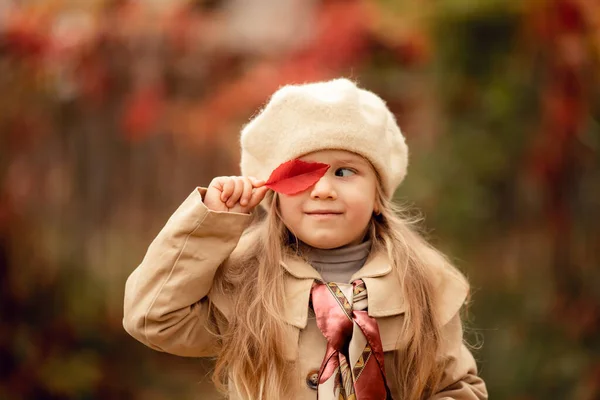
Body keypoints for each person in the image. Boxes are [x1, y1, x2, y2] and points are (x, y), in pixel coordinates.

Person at [123, 78, 488, 399]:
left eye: (345, 172)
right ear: (274, 196)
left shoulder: (424, 283)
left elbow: (458, 388)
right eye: (303, 176)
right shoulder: (244, 279)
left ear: (378, 195)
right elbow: (152, 319)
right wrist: (213, 221)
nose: (324, 190)